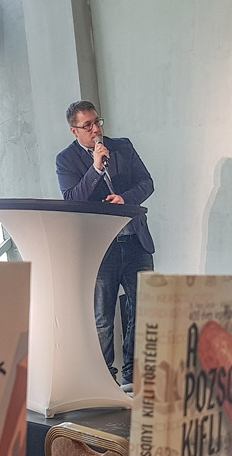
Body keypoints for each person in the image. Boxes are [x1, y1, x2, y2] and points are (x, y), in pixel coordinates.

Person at [56, 100, 156, 388]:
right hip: (102, 248)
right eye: (87, 125)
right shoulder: (66, 160)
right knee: (103, 319)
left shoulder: (122, 146)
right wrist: (96, 169)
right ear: (74, 131)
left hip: (135, 241)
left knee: (143, 311)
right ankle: (104, 382)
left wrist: (125, 199)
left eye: (97, 122)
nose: (96, 129)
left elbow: (146, 183)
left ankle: (133, 376)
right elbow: (73, 200)